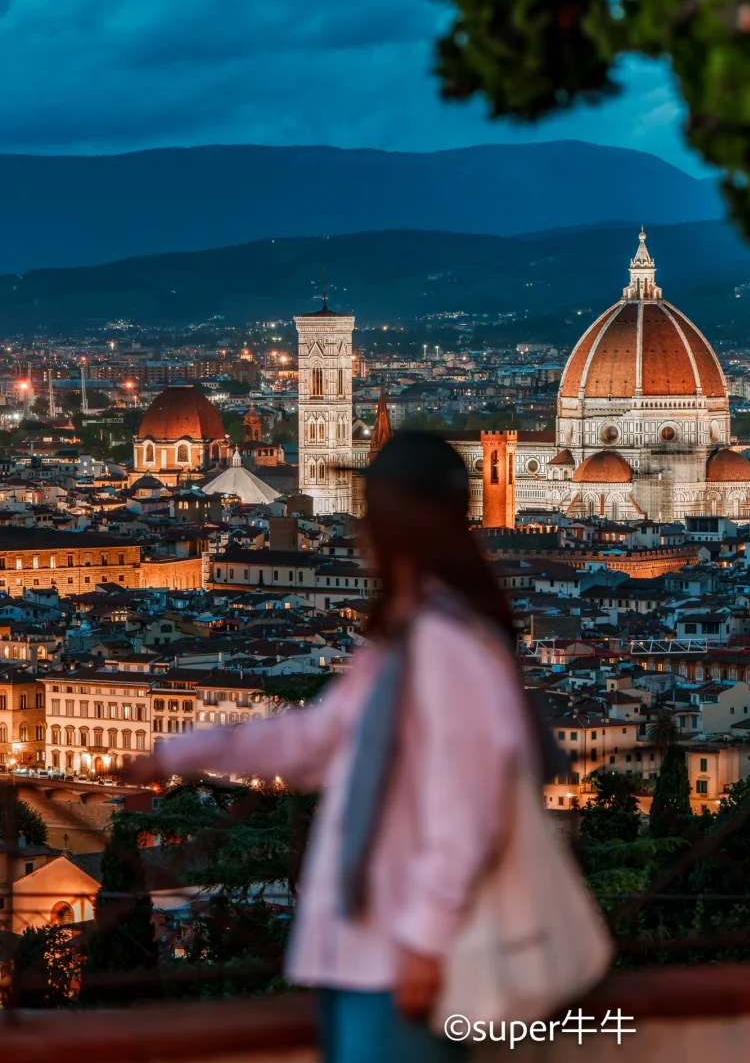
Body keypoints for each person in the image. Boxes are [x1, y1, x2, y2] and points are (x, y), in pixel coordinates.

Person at [122, 433, 539, 1063]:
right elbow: (314, 736)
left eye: (374, 516)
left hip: (402, 957)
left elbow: (466, 806)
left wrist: (426, 943)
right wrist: (178, 753)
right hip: (364, 950)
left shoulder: (448, 646)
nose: (361, 533)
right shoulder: (410, 637)